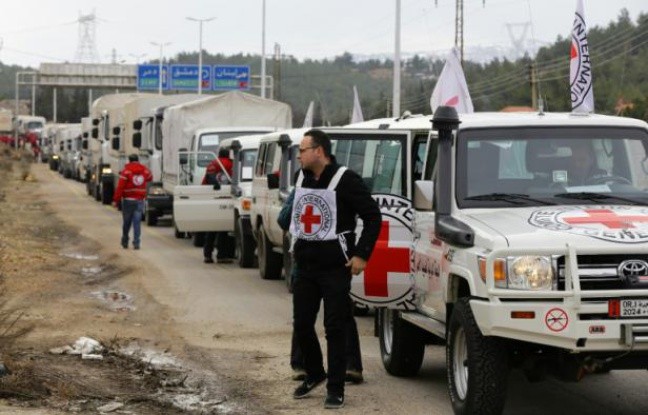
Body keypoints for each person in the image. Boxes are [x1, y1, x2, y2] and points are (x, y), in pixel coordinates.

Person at [290, 129, 381, 409]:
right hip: (305, 265)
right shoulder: (302, 177)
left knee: (335, 327)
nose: (299, 156)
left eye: (302, 150)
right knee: (303, 324)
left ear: (319, 151)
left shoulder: (346, 179)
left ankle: (336, 386)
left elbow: (372, 216)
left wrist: (361, 255)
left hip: (334, 268)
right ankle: (315, 373)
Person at [277, 188, 365, 385]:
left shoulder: (341, 186)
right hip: (306, 262)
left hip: (334, 263)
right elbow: (283, 219)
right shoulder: (302, 188)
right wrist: (298, 201)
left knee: (341, 314)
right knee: (303, 317)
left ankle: (351, 366)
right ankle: (301, 364)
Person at [202, 148, 235, 264]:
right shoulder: (231, 164)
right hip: (227, 198)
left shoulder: (213, 163)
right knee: (223, 229)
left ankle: (207, 255)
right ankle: (222, 256)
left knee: (211, 228)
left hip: (212, 197)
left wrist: (216, 186)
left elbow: (208, 178)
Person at [113, 154, 152, 249]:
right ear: (138, 160)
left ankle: (125, 240)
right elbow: (150, 177)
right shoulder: (145, 170)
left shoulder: (126, 171)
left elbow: (120, 187)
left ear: (129, 161)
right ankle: (136, 243)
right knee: (137, 223)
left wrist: (116, 200)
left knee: (127, 222)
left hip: (128, 201)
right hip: (139, 201)